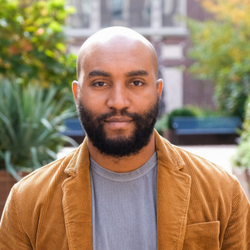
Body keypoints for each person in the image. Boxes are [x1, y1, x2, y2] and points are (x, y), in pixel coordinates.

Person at [0, 26, 249, 250]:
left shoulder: (223, 193)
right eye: (100, 83)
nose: (118, 101)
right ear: (77, 94)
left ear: (157, 91)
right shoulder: (27, 202)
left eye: (136, 82)